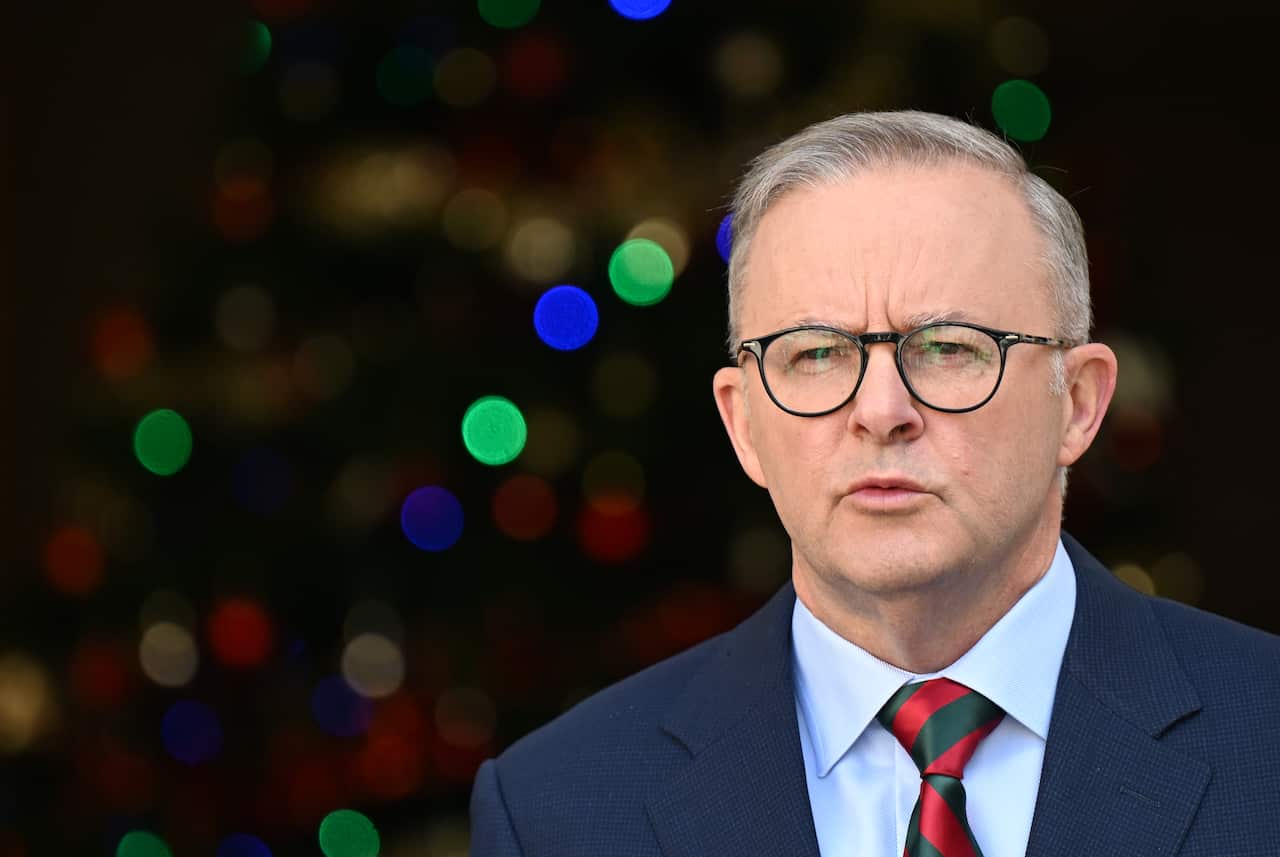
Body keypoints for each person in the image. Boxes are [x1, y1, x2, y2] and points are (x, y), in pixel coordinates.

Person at [469, 111, 1280, 857]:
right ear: (743, 422)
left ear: (1078, 403)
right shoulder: (555, 809)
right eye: (815, 354)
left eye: (951, 346)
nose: (881, 411)